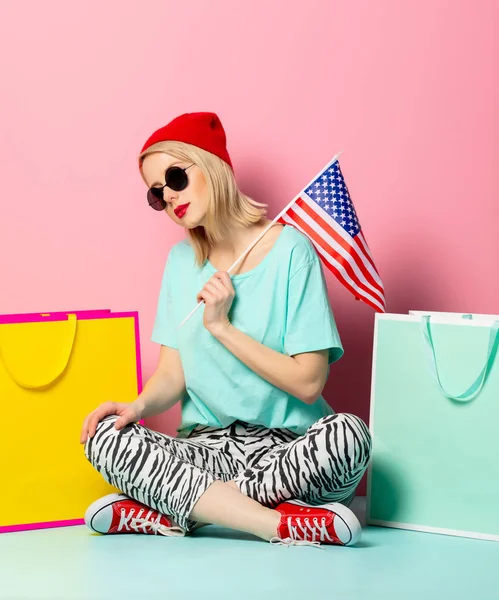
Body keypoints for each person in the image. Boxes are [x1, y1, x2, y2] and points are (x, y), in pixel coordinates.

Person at [80, 111, 372, 547]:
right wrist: (136, 406)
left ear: (211, 165)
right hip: (204, 452)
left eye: (176, 177)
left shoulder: (292, 251)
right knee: (106, 435)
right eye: (157, 194)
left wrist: (222, 327)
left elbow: (309, 383)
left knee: (351, 437)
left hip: (287, 453)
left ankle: (189, 511)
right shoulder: (181, 264)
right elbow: (172, 375)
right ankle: (276, 523)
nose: (169, 197)